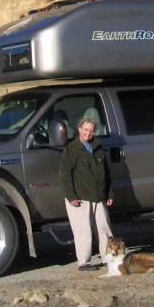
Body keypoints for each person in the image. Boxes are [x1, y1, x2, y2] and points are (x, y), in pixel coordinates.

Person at [59, 115, 114, 271]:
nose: (88, 133)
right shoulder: (71, 150)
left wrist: (109, 194)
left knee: (104, 229)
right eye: (85, 130)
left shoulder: (98, 148)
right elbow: (64, 175)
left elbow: (106, 173)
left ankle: (109, 258)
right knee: (83, 231)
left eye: (91, 131)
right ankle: (84, 262)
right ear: (79, 129)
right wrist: (71, 197)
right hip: (80, 198)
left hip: (99, 197)